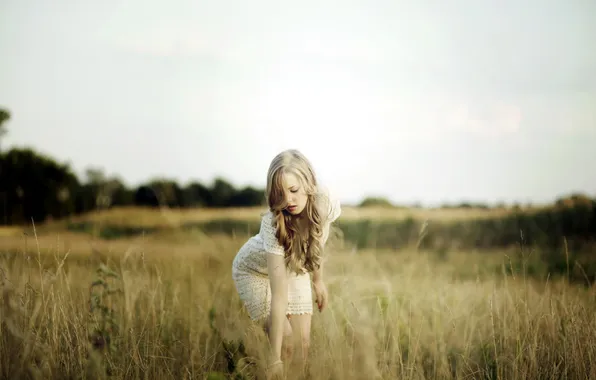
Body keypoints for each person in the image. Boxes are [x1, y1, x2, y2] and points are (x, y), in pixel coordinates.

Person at [231, 149, 341, 377]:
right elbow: (279, 295)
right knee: (286, 341)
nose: (288, 201)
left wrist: (318, 281)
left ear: (309, 183)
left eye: (293, 191)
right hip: (253, 272)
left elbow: (316, 241)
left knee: (302, 347)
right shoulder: (272, 225)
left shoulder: (325, 202)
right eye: (280, 193)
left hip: (293, 267)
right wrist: (274, 359)